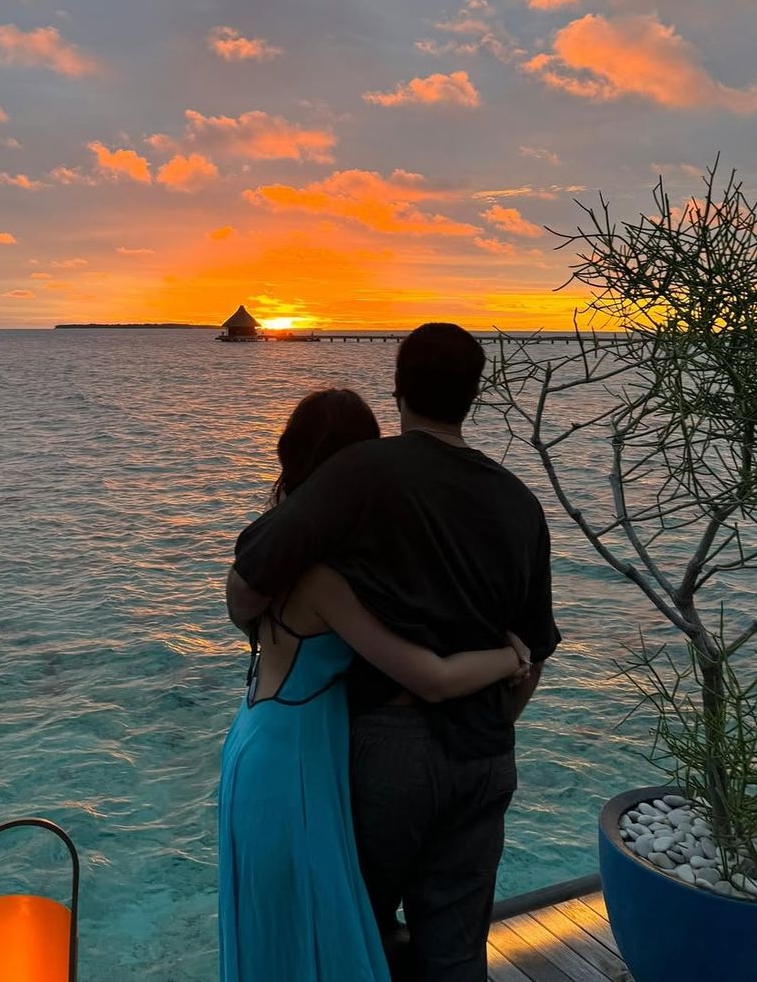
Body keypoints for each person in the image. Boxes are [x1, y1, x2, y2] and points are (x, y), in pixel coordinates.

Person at [227, 325, 560, 982]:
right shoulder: (521, 504)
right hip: (486, 751)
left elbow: (254, 566)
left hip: (390, 745)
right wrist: (490, 721)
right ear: (475, 393)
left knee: (363, 935)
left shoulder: (366, 471)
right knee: (458, 952)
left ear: (399, 388)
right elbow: (534, 651)